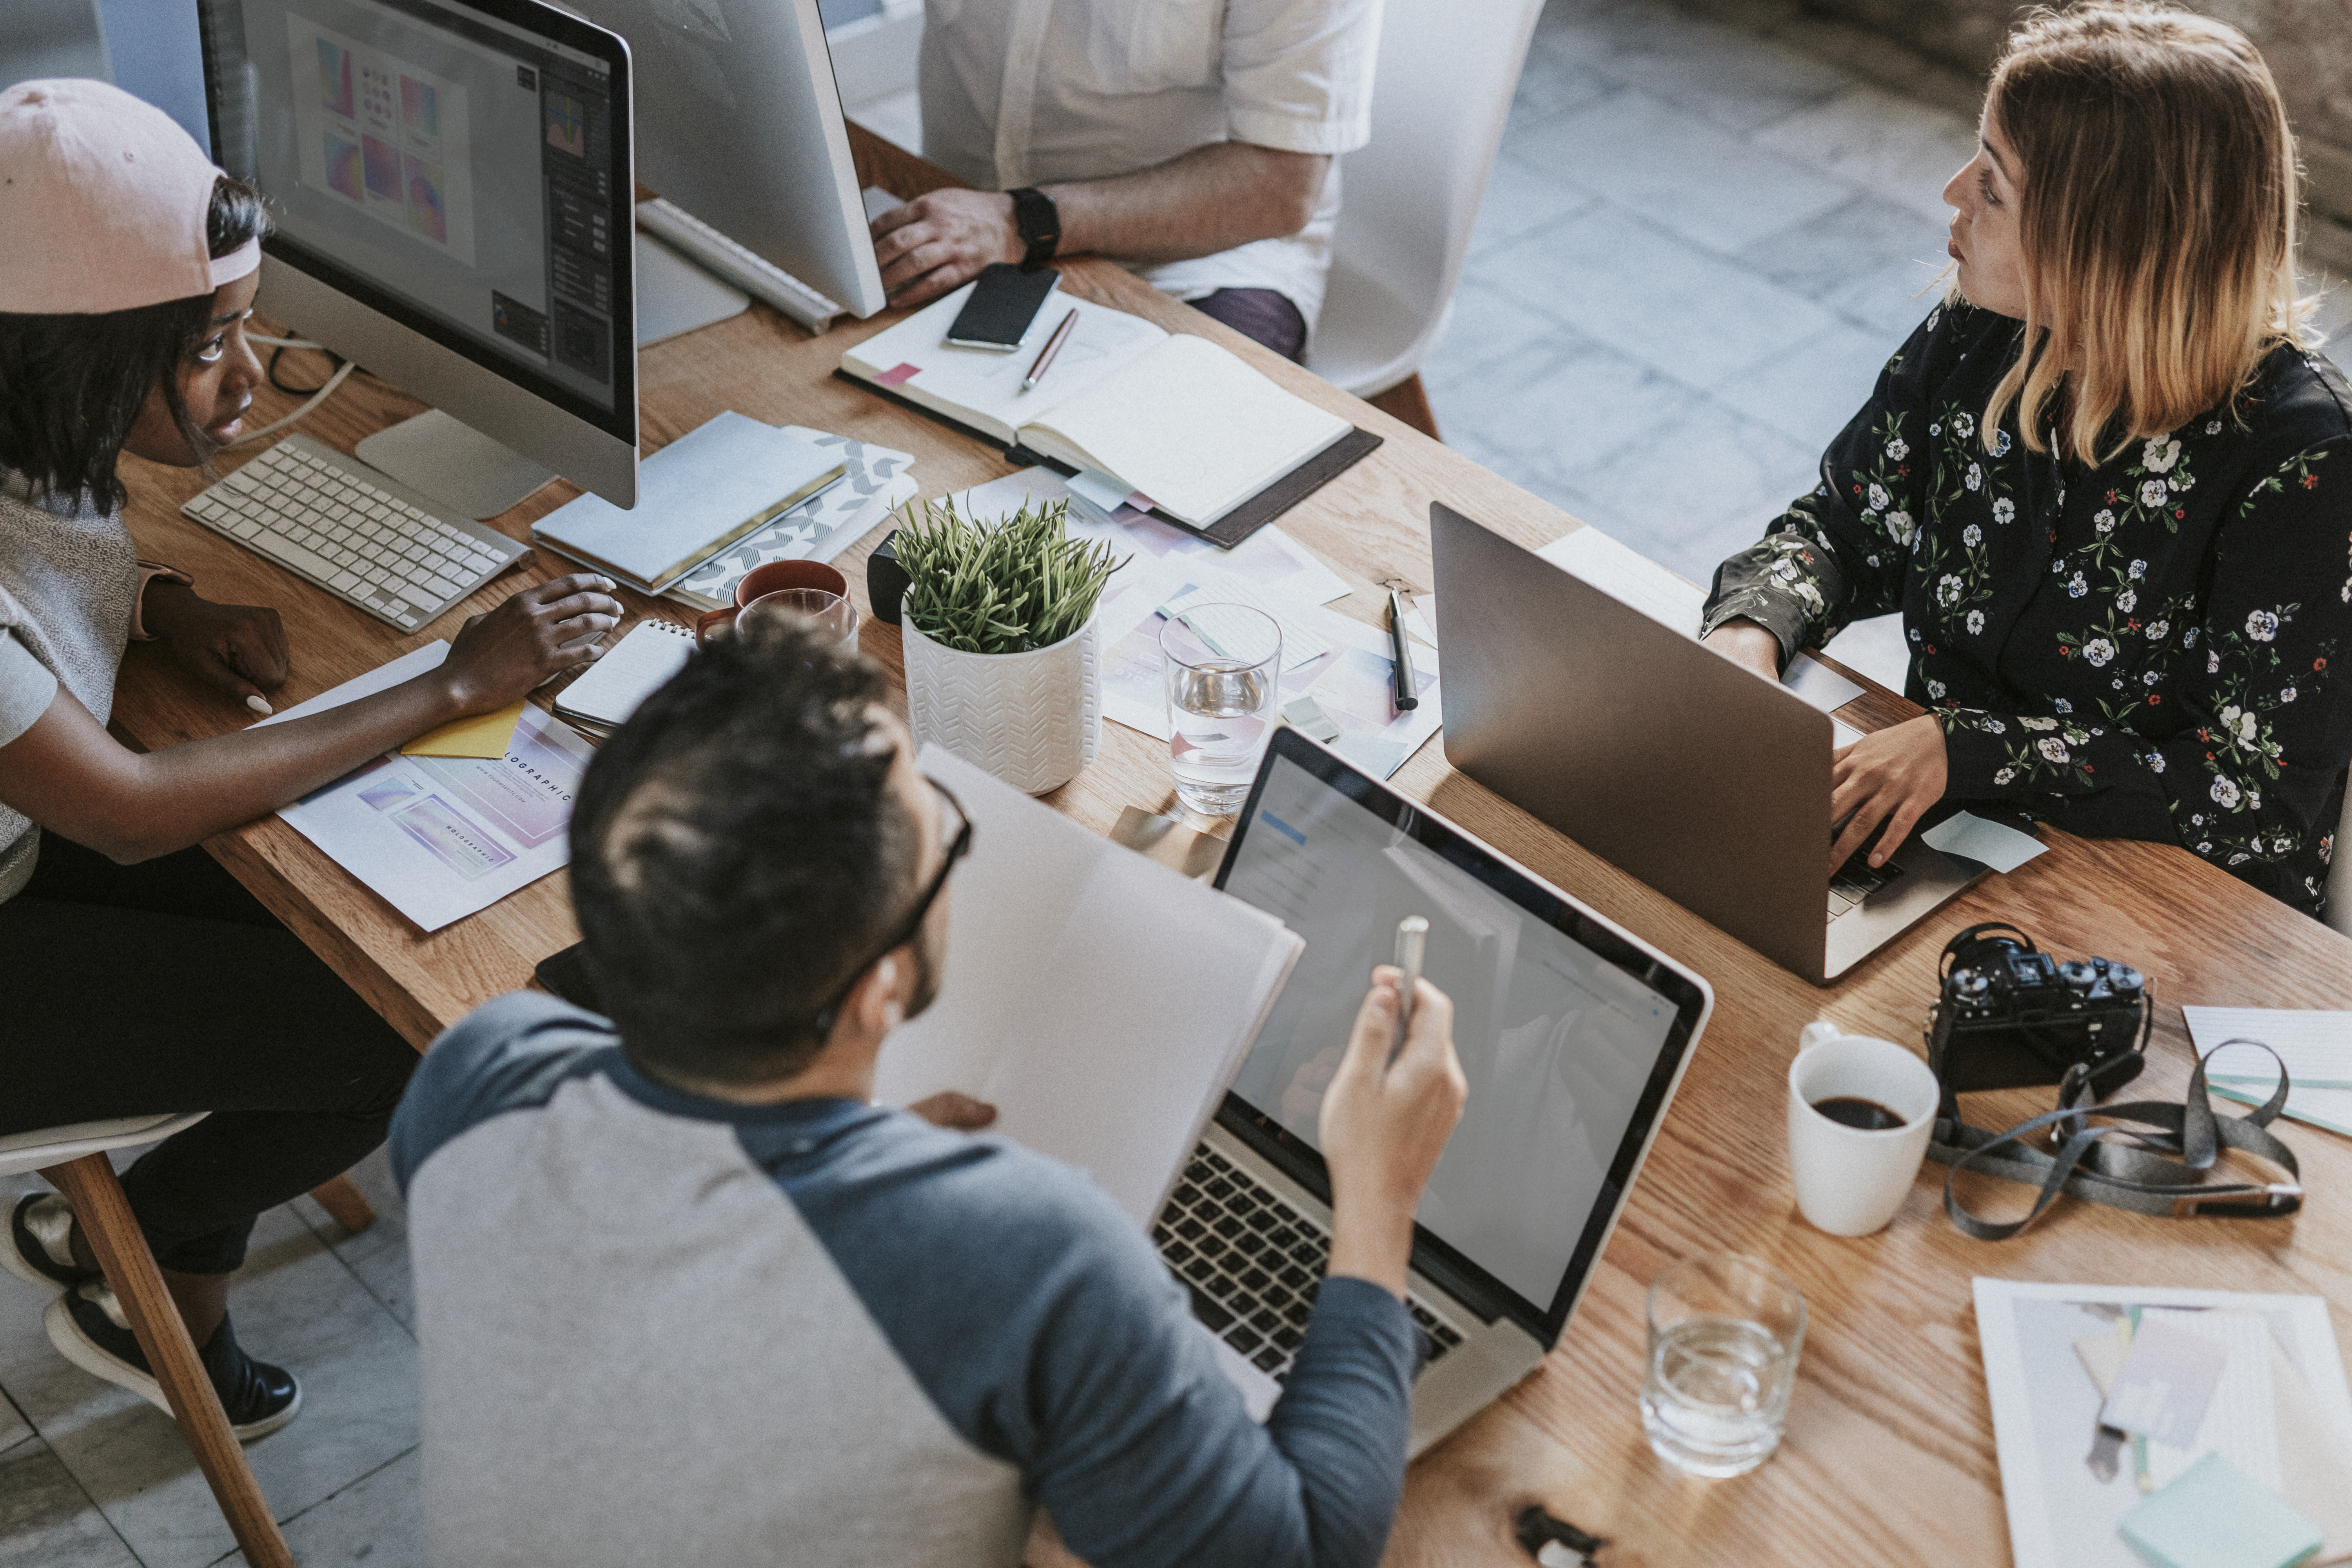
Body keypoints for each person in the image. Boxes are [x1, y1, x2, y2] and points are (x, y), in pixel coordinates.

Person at [390, 615, 1467, 1567]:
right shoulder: (1025, 1263)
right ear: (878, 989)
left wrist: (848, 1172)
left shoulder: (479, 1076)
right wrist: (1377, 1198)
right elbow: (1309, 1546)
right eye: (940, 835)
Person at [0, 78, 621, 1437]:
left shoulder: (27, 415)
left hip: (31, 853)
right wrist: (456, 682)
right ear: (86, 357)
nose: (253, 370)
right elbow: (131, 813)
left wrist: (158, 605)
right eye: (215, 342)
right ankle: (153, 1257)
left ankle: (130, 1229)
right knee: (400, 1018)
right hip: (40, 886)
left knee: (349, 905)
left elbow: (38, 571)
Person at [1699, 2, 2352, 920]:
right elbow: (1848, 527)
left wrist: (1964, 749)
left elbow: (2257, 798)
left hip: (2168, 914)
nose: (1953, 192)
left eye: (1994, 186)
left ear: (2111, 240)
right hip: (1940, 846)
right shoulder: (1987, 330)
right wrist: (1749, 630)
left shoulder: (2299, 455)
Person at [867, 0, 1381, 362]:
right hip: (959, 215)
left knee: (1150, 490)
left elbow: (1280, 186)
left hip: (1193, 265)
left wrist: (1017, 222)